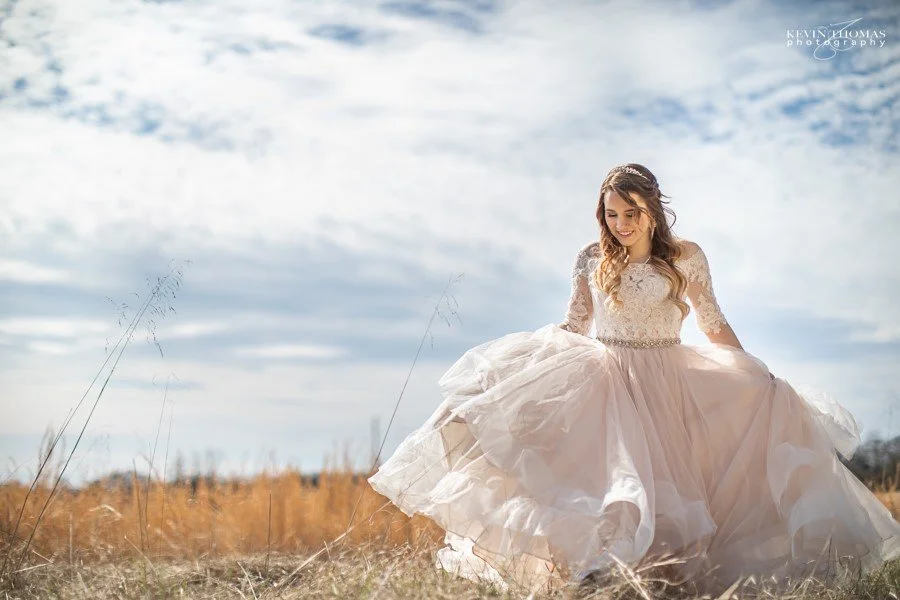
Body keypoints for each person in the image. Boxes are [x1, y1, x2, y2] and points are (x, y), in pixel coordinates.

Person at [366, 163, 900, 596]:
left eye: (631, 212)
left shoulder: (685, 258)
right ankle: (602, 572)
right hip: (605, 378)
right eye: (612, 213)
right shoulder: (591, 259)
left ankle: (661, 579)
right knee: (612, 485)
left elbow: (711, 320)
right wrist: (525, 364)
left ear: (652, 210)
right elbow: (575, 324)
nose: (621, 223)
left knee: (672, 486)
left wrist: (750, 370)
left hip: (670, 382)